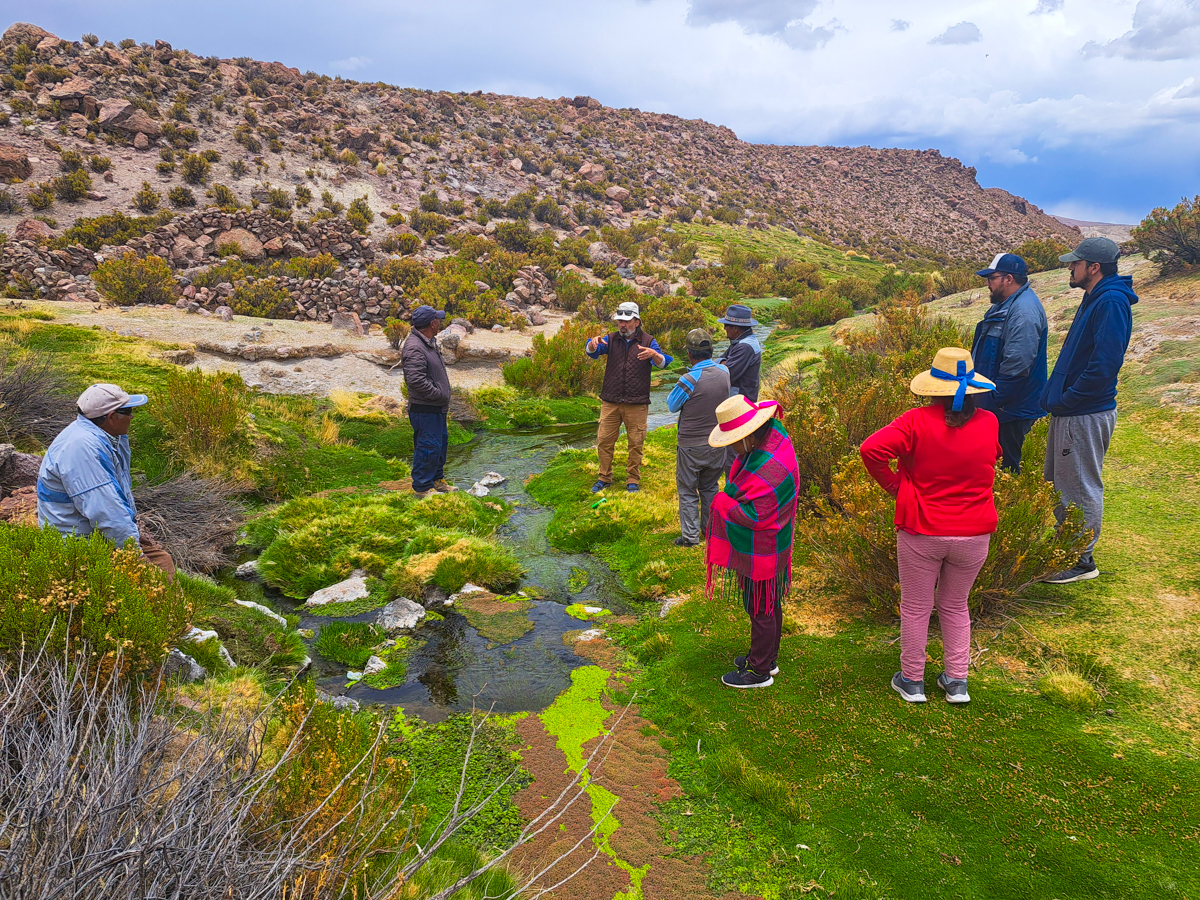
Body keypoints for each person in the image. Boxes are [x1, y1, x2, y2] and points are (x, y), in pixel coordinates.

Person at [860, 348, 1000, 705]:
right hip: (974, 532)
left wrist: (895, 486)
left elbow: (870, 450)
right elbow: (995, 454)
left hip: (922, 528)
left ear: (932, 387)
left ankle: (912, 681)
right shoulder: (988, 421)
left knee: (916, 607)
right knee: (956, 605)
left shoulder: (914, 422)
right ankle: (956, 681)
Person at [1041, 237, 1138, 585]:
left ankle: (1080, 560)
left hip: (1083, 412)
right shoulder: (1095, 297)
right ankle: (1065, 548)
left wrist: (1069, 399)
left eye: (1075, 263)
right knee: (1062, 482)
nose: (1070, 267)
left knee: (1079, 486)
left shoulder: (1110, 301)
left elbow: (1104, 364)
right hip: (1073, 410)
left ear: (1093, 268)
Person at [37, 383, 176, 580]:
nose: (133, 416)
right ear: (111, 417)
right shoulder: (83, 450)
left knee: (162, 561)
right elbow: (106, 511)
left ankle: (168, 608)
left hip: (93, 531)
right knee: (152, 577)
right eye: (128, 411)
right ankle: (159, 609)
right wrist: (133, 554)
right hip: (78, 542)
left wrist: (133, 535)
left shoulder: (97, 435)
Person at [706, 395, 799, 689]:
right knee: (769, 600)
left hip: (764, 546)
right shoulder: (775, 439)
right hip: (777, 541)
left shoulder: (763, 470)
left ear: (748, 436)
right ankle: (767, 659)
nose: (732, 448)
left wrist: (722, 503)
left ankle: (758, 672)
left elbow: (755, 516)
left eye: (733, 441)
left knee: (759, 605)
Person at [585, 300, 672, 493]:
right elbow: (592, 352)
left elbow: (665, 363)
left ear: (637, 322)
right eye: (620, 321)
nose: (622, 325)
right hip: (611, 400)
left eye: (627, 321)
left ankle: (633, 479)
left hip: (637, 403)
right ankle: (604, 477)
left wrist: (653, 355)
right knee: (604, 441)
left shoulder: (649, 341)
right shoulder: (611, 338)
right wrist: (591, 345)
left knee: (635, 443)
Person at [971, 252, 1047, 472]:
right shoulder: (1006, 304)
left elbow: (1017, 366)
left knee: (1006, 468)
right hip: (1002, 407)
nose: (987, 284)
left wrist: (992, 403)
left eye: (991, 278)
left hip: (1011, 410)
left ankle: (1010, 505)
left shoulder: (1023, 311)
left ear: (1008, 279)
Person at [667, 329, 730, 547]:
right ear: (711, 350)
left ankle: (690, 538)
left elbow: (672, 405)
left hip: (691, 445)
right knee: (710, 487)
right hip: (717, 441)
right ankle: (710, 531)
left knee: (687, 490)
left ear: (690, 354)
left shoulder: (689, 378)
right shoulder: (724, 372)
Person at [401, 304, 455, 498]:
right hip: (425, 408)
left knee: (440, 443)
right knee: (427, 446)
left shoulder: (427, 341)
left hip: (435, 407)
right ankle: (423, 488)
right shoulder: (415, 347)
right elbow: (415, 381)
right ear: (432, 323)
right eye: (438, 319)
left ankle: (437, 480)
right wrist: (438, 394)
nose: (440, 322)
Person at [716, 304, 762, 401]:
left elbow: (726, 375)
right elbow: (720, 360)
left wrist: (722, 364)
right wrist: (722, 362)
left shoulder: (745, 347)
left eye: (726, 325)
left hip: (741, 404)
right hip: (739, 400)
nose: (724, 328)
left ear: (735, 328)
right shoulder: (739, 341)